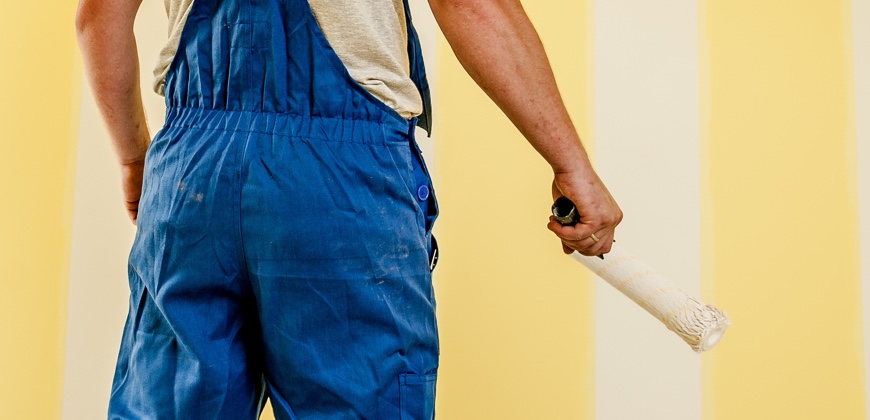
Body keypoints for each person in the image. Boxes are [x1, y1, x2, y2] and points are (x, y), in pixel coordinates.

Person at [76, 0, 622, 418]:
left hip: (190, 175)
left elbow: (97, 16)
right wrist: (570, 164)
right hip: (339, 177)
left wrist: (134, 159)